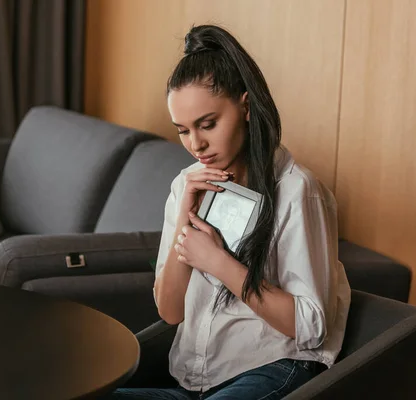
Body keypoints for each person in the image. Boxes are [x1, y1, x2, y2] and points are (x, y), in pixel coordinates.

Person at [108, 24, 351, 400]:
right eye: (183, 131)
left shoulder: (297, 191)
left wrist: (219, 262)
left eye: (208, 124)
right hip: (194, 382)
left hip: (275, 369)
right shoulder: (186, 184)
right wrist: (185, 225)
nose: (196, 144)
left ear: (247, 106)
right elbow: (170, 312)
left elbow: (311, 326)